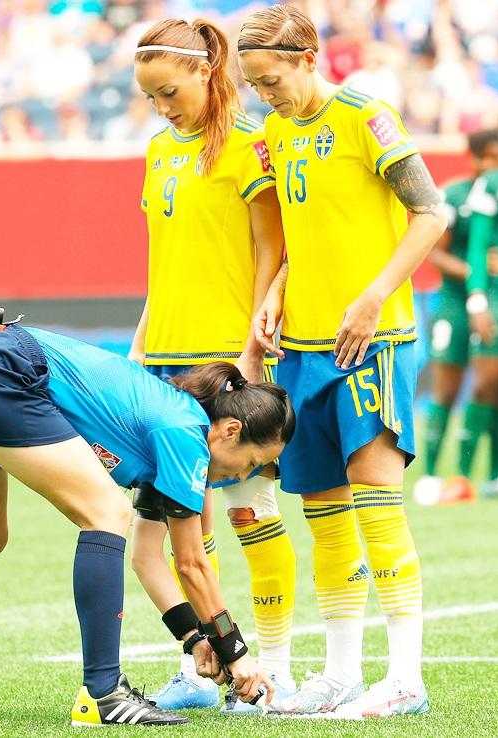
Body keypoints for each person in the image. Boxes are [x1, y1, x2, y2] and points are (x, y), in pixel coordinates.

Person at [0, 310, 294, 725]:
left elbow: (147, 559)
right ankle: (103, 693)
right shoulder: (185, 435)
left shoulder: (172, 437)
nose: (240, 476)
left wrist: (194, 638)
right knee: (106, 512)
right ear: (231, 430)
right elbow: (192, 564)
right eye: (250, 462)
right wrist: (237, 655)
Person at [237, 4, 447, 718]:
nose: (266, 96)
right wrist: (275, 292)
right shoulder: (271, 130)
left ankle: (407, 679)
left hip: (373, 344)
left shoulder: (366, 115)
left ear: (307, 59)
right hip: (301, 350)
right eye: (254, 85)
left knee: (379, 509)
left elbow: (433, 212)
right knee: (323, 516)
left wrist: (374, 296)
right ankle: (341, 673)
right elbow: (303, 232)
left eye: (272, 80)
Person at [129, 17, 297, 714]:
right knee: (183, 528)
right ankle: (204, 669)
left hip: (232, 358)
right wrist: (138, 346)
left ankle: (277, 664)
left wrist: (252, 345)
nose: (164, 108)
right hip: (164, 360)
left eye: (170, 91)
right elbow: (162, 262)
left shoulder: (252, 147)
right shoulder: (157, 149)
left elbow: (274, 248)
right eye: (150, 98)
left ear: (204, 71)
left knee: (250, 513)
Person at [414, 129, 498, 505]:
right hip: (454, 302)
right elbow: (437, 254)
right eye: (491, 157)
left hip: (492, 300)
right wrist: (475, 270)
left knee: (490, 386)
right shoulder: (455, 195)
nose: (495, 165)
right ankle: (432, 474)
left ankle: (487, 473)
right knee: (446, 389)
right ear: (476, 158)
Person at [463, 145, 498, 497]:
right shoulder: (491, 184)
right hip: (496, 300)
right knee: (486, 385)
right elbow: (477, 247)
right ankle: (464, 474)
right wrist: (477, 301)